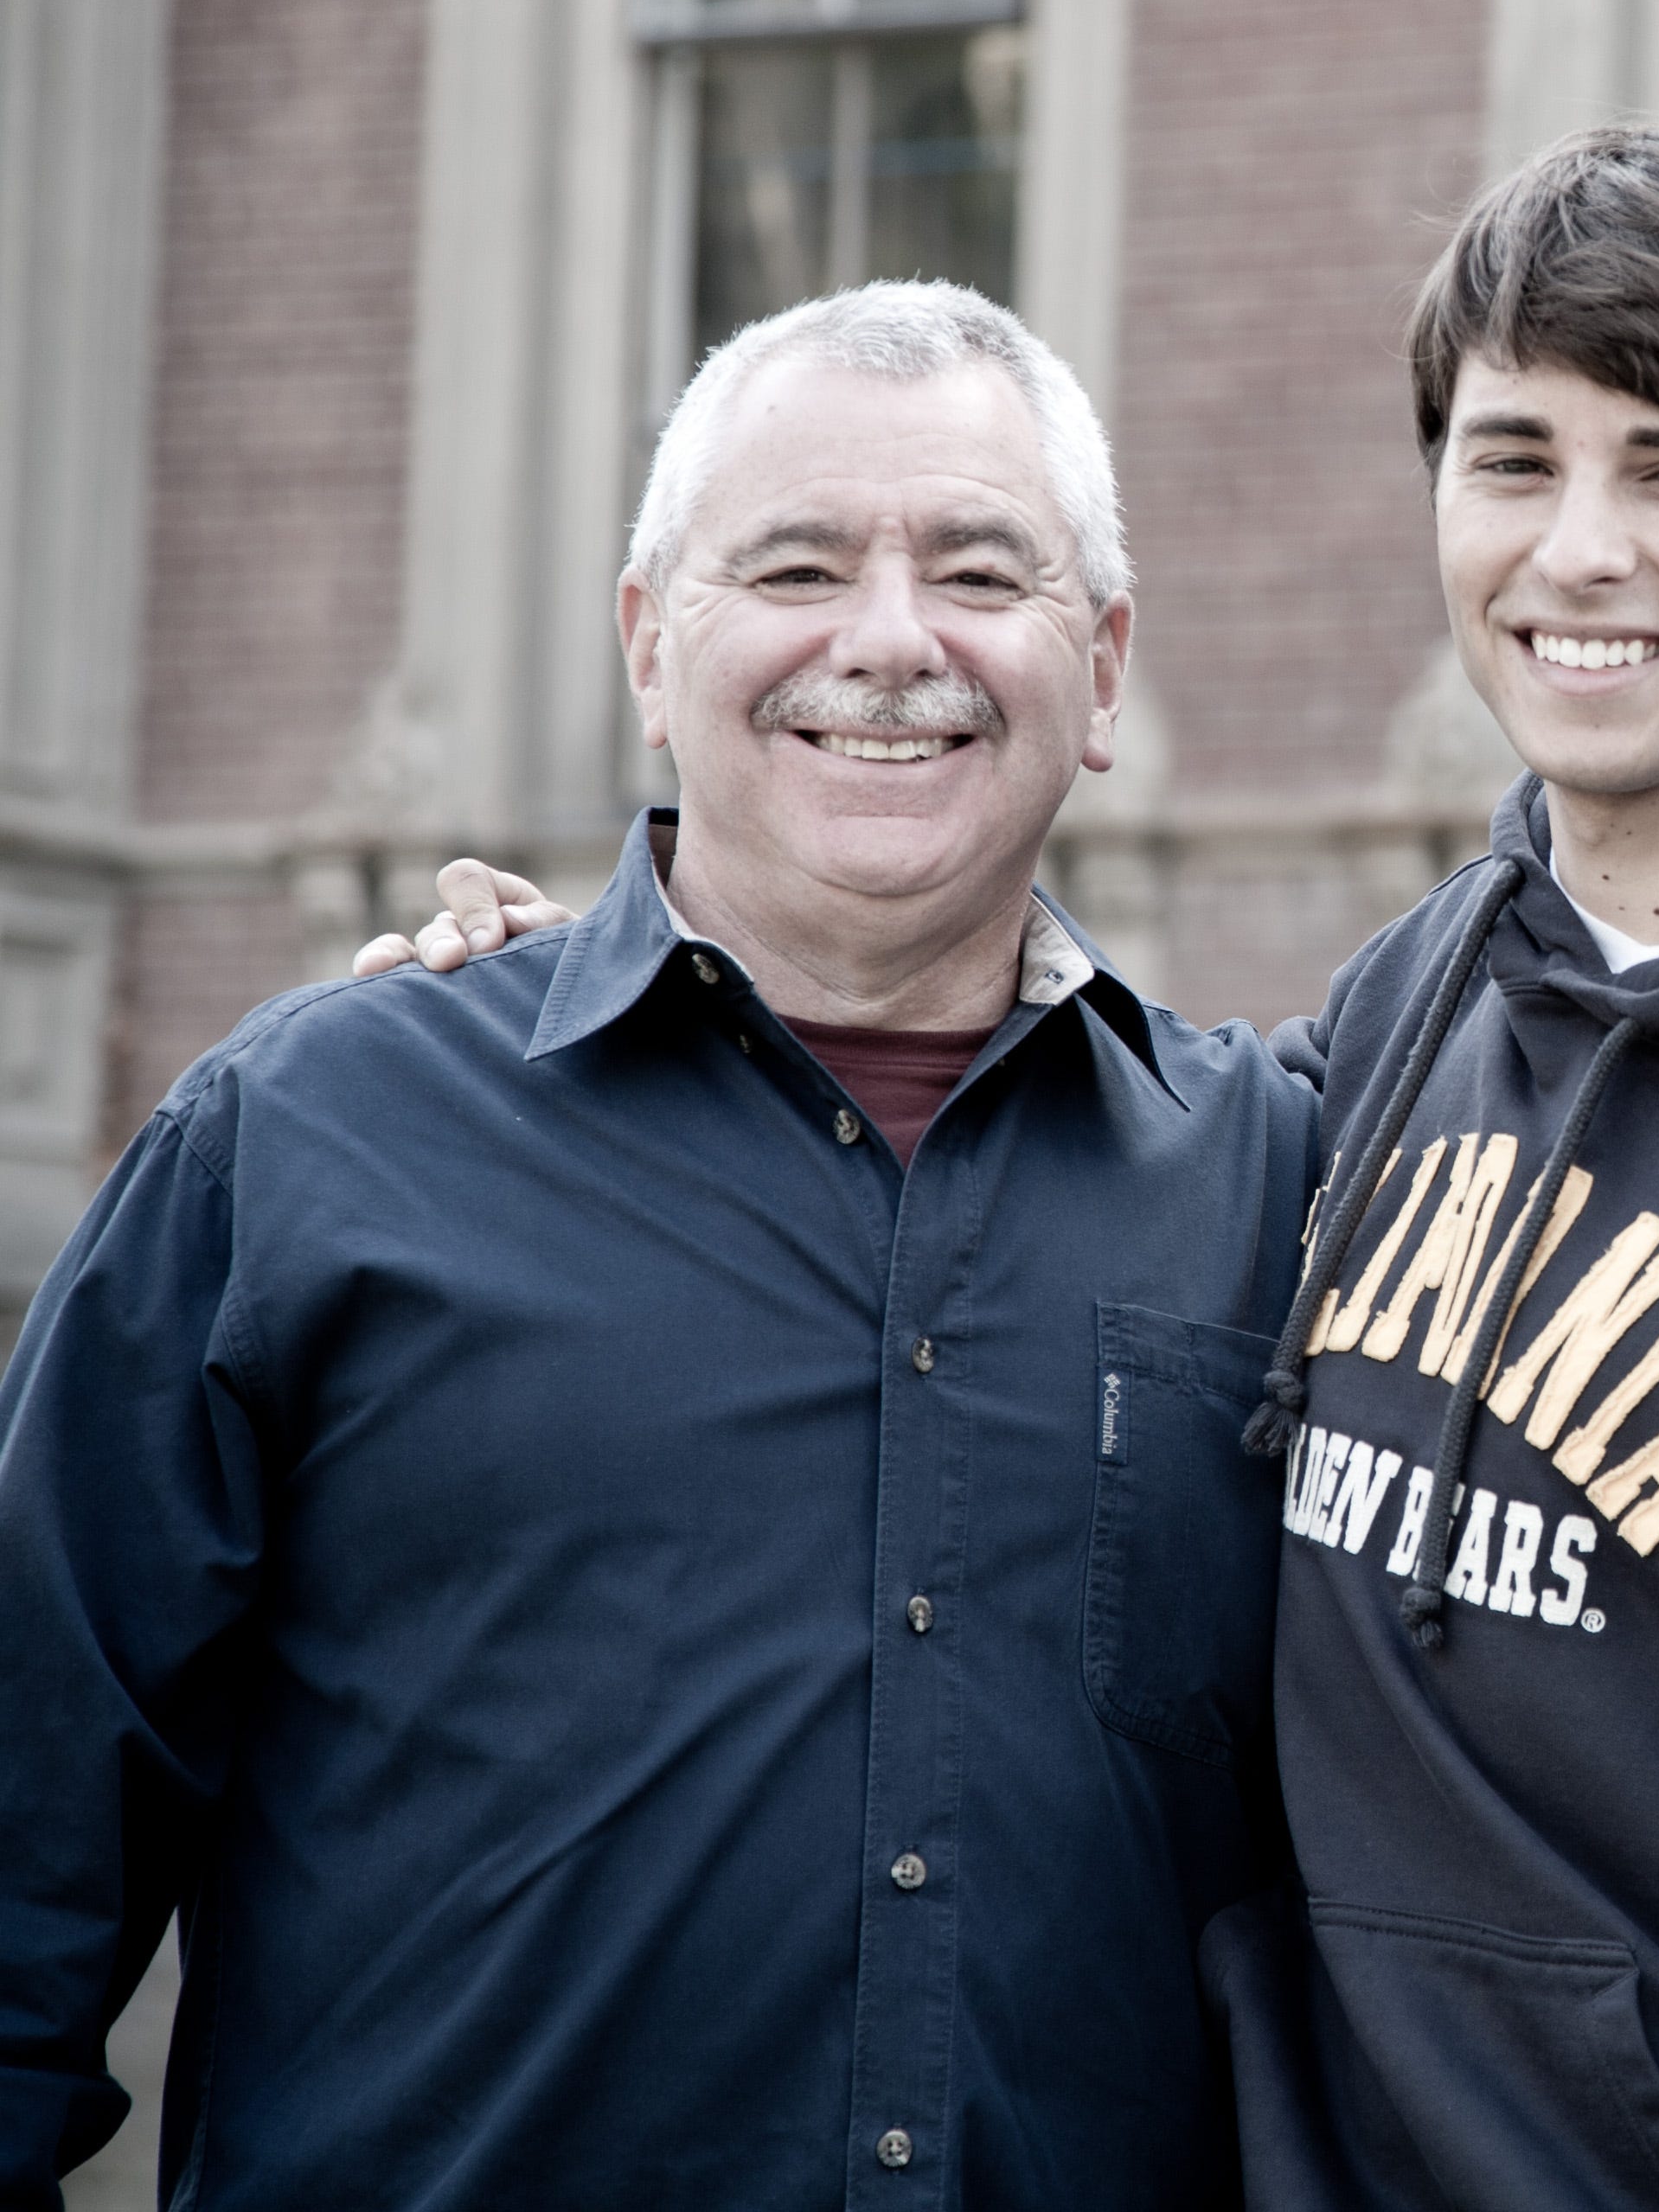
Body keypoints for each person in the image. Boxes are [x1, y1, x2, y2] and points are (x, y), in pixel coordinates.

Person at [367, 124, 1659, 2212]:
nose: (1580, 550)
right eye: (1515, 460)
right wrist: (606, 988)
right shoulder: (1400, 1017)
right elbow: (1048, 1123)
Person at [0, 283, 1310, 2209]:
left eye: (978, 569)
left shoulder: (1280, 1186)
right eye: (793, 565)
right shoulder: (308, 1145)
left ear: (1102, 668)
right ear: (649, 643)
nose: (887, 641)